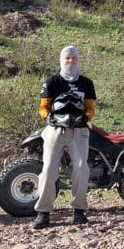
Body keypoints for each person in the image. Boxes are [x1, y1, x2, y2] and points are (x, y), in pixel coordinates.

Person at [32, 45, 96, 229]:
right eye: (67, 58)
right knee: (50, 168)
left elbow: (90, 107)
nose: (70, 61)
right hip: (55, 130)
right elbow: (43, 107)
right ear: (62, 59)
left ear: (78, 60)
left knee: (82, 167)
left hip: (79, 130)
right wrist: (49, 117)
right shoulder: (52, 81)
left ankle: (79, 210)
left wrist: (86, 117)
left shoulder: (86, 83)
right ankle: (43, 212)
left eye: (74, 58)